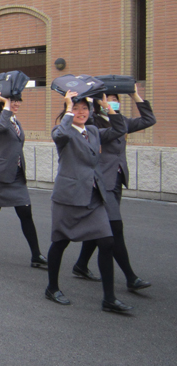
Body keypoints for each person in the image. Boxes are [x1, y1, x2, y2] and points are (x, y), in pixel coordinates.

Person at [45, 91, 131, 313]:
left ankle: (109, 299)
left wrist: (108, 108)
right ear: (68, 111)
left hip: (94, 195)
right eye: (76, 108)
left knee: (106, 241)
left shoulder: (92, 130)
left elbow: (120, 130)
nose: (80, 112)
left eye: (84, 108)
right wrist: (66, 107)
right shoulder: (62, 131)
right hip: (69, 198)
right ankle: (52, 288)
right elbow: (60, 135)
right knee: (61, 242)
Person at [72, 85, 155, 291]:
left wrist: (134, 94)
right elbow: (112, 131)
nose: (111, 102)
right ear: (99, 103)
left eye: (114, 99)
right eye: (107, 99)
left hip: (117, 180)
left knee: (101, 225)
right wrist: (100, 107)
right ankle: (130, 277)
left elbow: (149, 120)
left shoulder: (121, 120)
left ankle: (81, 265)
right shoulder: (92, 123)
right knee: (114, 228)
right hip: (101, 183)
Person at [0, 92, 48, 268]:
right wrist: (5, 106)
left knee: (25, 213)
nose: (17, 104)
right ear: (3, 102)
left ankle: (36, 255)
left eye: (18, 100)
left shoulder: (16, 122)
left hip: (16, 175)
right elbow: (0, 128)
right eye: (13, 100)